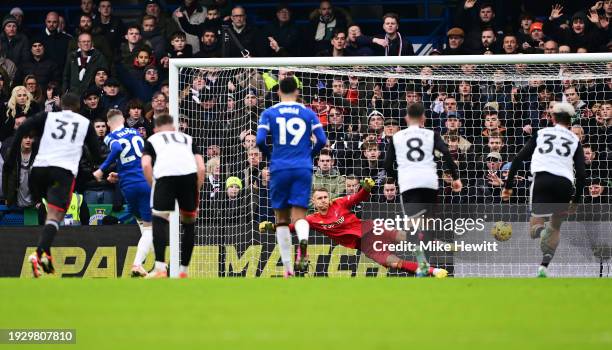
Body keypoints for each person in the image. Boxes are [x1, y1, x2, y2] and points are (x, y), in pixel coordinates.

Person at [2, 93, 101, 278]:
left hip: (38, 172)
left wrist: (10, 158)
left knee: (50, 215)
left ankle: (43, 254)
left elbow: (23, 127)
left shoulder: (49, 116)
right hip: (61, 173)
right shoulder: (84, 122)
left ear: (61, 105)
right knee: (56, 216)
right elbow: (96, 154)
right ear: (78, 106)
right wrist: (100, 166)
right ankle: (40, 253)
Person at [259, 184, 448, 277]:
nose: (324, 200)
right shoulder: (312, 220)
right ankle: (434, 271)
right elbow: (292, 228)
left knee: (404, 237)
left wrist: (366, 188)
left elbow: (358, 197)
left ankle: (439, 244)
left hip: (372, 228)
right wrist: (271, 226)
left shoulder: (339, 203)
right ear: (314, 203)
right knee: (394, 263)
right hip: (362, 244)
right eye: (320, 198)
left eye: (326, 197)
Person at [502, 102, 586, 278]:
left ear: (553, 117)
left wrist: (508, 186)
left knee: (535, 226)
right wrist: (576, 200)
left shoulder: (541, 133)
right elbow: (582, 174)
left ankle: (542, 232)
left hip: (542, 179)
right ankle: (544, 266)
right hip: (565, 183)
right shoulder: (575, 141)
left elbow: (518, 159)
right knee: (555, 227)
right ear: (570, 121)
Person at [256, 77, 327, 277]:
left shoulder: (269, 112)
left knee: (281, 219)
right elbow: (321, 140)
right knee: (299, 216)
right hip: (302, 167)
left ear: (278, 92)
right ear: (297, 92)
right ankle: (303, 243)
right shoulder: (308, 113)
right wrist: (308, 156)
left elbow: (260, 140)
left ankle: (288, 269)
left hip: (280, 167)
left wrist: (271, 156)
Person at [142, 114, 205, 278]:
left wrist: (153, 185)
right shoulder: (187, 139)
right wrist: (195, 188)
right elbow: (202, 167)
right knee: (189, 223)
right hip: (189, 177)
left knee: (159, 219)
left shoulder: (153, 139)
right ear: (174, 127)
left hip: (165, 177)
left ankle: (160, 268)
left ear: (156, 129)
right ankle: (184, 271)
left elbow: (146, 164)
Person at [92, 109, 153, 277]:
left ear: (109, 123)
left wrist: (103, 171)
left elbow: (118, 148)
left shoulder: (110, 137)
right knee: (150, 228)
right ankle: (138, 264)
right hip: (143, 182)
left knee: (143, 225)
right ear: (123, 120)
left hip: (127, 185)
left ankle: (157, 264)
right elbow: (134, 157)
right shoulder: (134, 132)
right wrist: (102, 170)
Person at [384, 103, 462, 217]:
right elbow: (446, 152)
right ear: (423, 118)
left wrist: (398, 177)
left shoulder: (397, 136)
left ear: (406, 118)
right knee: (429, 220)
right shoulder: (431, 134)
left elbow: (386, 165)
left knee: (413, 223)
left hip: (409, 182)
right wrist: (456, 178)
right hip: (428, 181)